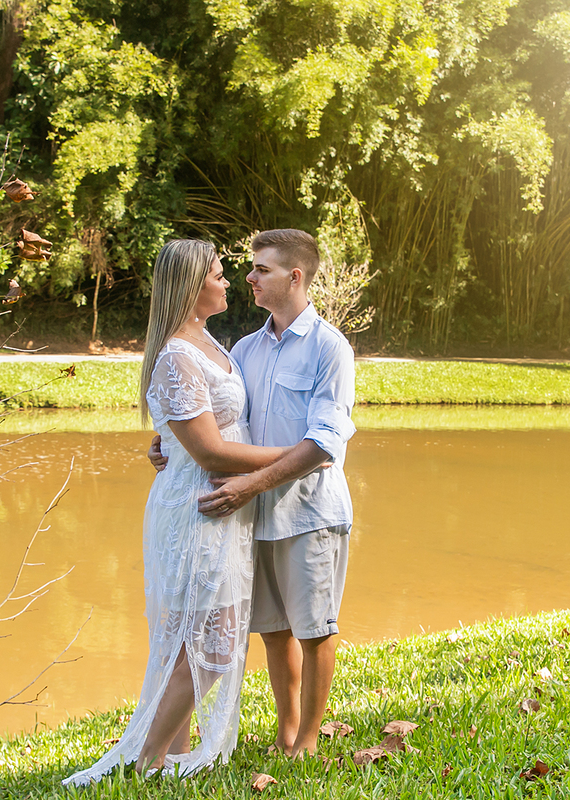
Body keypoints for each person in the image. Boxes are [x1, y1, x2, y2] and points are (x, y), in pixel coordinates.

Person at [64, 239, 291, 785]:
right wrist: (300, 454)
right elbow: (210, 450)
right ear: (192, 285)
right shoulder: (176, 354)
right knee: (210, 639)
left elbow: (194, 427)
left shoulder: (211, 344)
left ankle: (165, 755)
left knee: (198, 633)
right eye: (217, 274)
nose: (228, 281)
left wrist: (164, 439)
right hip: (198, 509)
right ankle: (147, 759)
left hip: (226, 506)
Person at [151, 229, 356, 757]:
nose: (249, 277)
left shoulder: (330, 348)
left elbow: (325, 442)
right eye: (246, 268)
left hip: (309, 510)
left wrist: (253, 482)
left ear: (295, 276)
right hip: (249, 513)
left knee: (314, 630)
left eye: (261, 269)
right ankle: (285, 732)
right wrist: (171, 442)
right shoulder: (242, 348)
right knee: (273, 629)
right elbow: (219, 423)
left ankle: (306, 741)